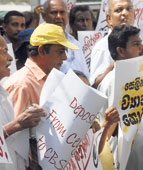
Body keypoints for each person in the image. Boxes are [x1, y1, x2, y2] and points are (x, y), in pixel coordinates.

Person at [97, 24, 143, 170]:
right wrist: (141, 107)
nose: (142, 47)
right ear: (121, 50)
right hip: (126, 162)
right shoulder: (112, 81)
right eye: (136, 44)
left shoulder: (140, 76)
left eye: (141, 43)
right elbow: (111, 130)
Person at [3, 22, 78, 117]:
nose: (64, 57)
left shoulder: (51, 79)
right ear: (42, 50)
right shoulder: (21, 84)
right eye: (60, 51)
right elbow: (14, 128)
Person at [0, 34, 46, 170]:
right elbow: (12, 129)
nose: (10, 58)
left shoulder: (3, 94)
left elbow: (13, 142)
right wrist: (17, 125)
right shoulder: (19, 84)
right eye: (3, 52)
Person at [42, 0, 90, 78]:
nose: (59, 16)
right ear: (44, 16)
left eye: (62, 12)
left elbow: (86, 75)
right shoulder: (40, 43)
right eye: (54, 12)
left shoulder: (75, 43)